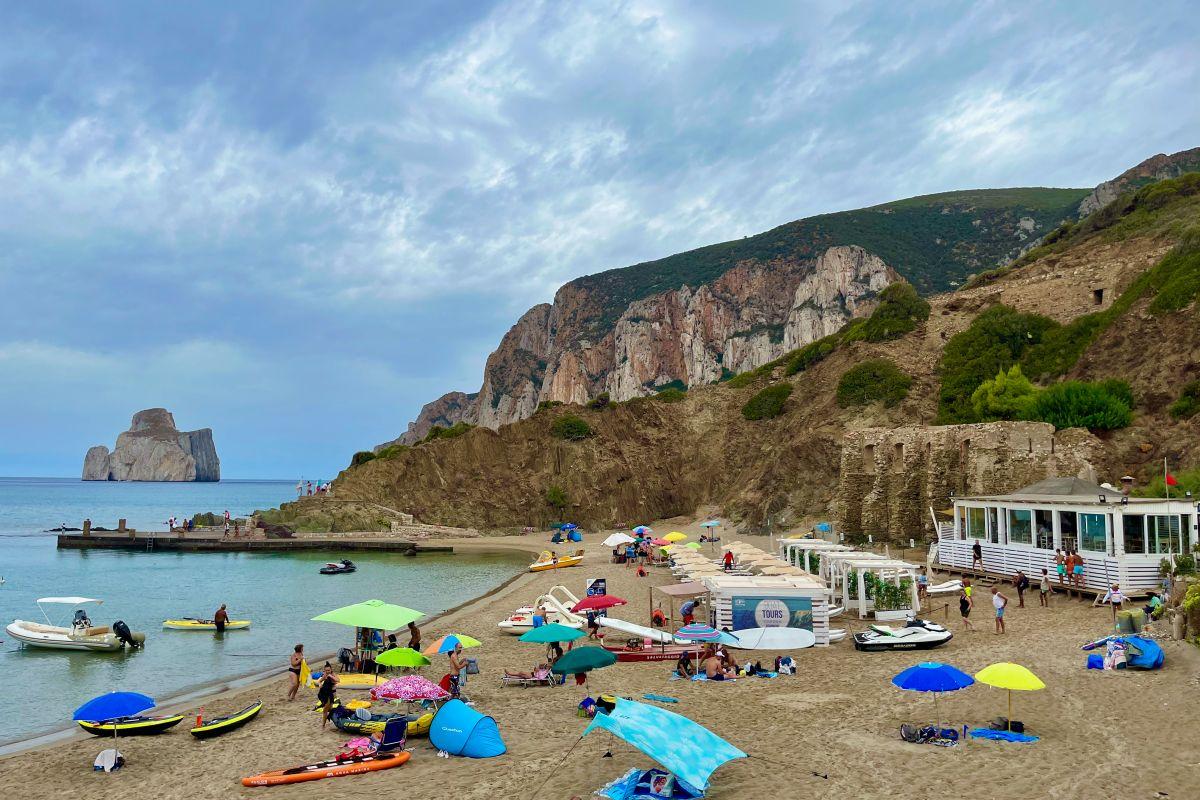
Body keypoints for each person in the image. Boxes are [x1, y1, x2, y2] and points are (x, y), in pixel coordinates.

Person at [317, 662, 339, 728]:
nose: (327, 672)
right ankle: (325, 724)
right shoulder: (325, 675)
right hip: (325, 694)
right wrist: (320, 684)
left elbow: (338, 680)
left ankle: (324, 724)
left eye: (328, 670)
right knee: (328, 709)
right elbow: (319, 681)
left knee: (327, 709)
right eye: (326, 670)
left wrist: (330, 676)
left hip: (331, 694)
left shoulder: (333, 675)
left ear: (331, 670)